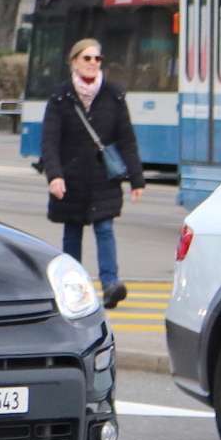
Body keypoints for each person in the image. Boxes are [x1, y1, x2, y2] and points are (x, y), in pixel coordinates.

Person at [38, 36, 146, 309]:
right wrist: (55, 175)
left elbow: (127, 140)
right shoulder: (60, 97)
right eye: (87, 58)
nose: (93, 63)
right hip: (70, 177)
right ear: (73, 62)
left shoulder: (114, 95)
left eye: (97, 59)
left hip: (102, 177)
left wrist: (136, 178)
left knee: (105, 228)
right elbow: (49, 141)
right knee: (72, 231)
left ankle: (111, 285)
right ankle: (71, 287)